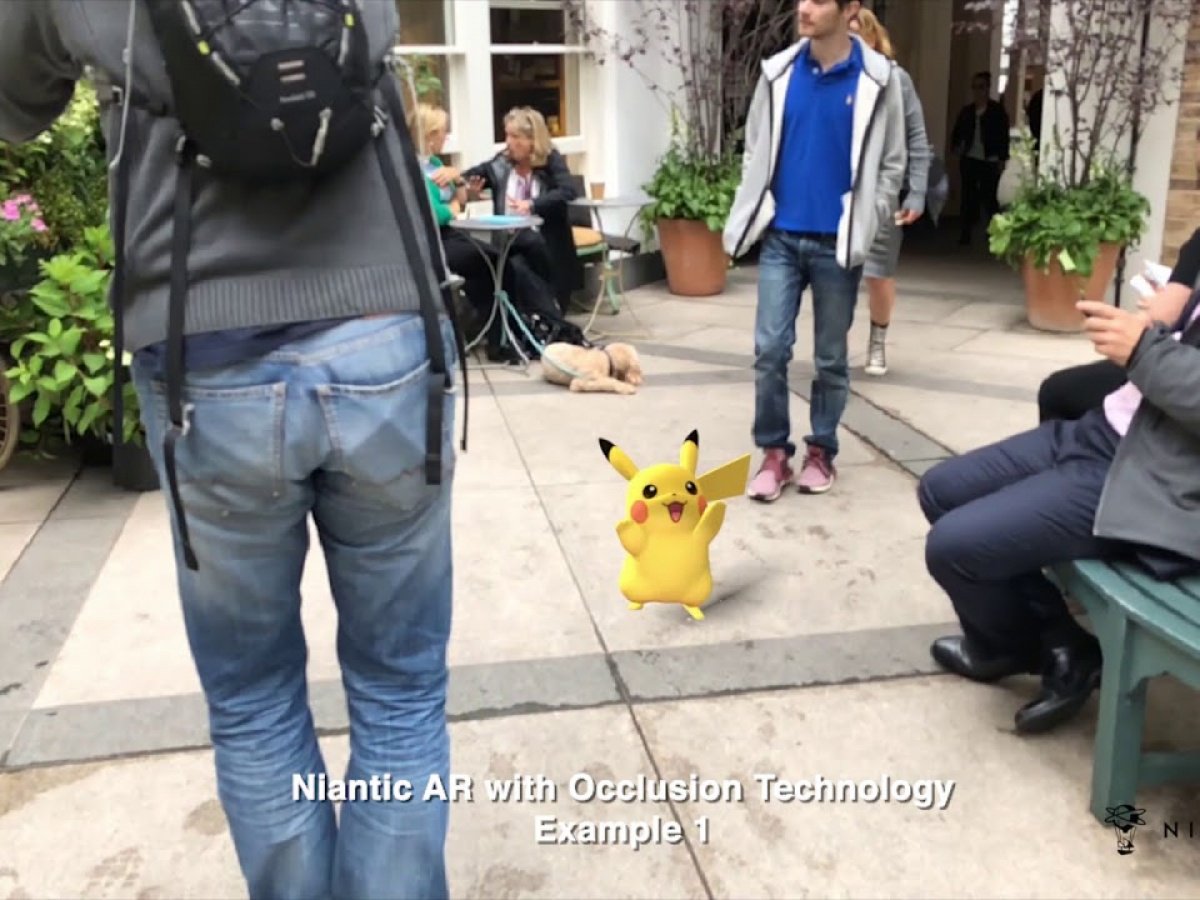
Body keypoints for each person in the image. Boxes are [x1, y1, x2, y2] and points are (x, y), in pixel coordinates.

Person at [1, 4, 457, 898]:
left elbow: (14, 100)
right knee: (401, 692)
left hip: (202, 348)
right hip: (384, 328)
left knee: (254, 702)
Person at [919, 289, 1200, 735]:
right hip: (1108, 429)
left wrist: (1145, 349)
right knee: (941, 490)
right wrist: (1162, 323)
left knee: (953, 548)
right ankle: (1053, 644)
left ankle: (1029, 649)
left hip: (1151, 479)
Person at [723, 0, 907, 499]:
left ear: (850, 11)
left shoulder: (878, 79)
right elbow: (755, 149)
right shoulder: (778, 73)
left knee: (829, 358)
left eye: (819, 1)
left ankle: (821, 450)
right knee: (769, 350)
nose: (804, 8)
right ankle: (774, 453)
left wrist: (869, 219)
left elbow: (893, 163)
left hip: (837, 243)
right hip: (781, 237)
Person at [409, 102, 554, 363]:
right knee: (495, 263)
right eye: (443, 132)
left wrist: (457, 182)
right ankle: (501, 338)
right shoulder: (413, 168)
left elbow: (461, 198)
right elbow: (434, 214)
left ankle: (506, 333)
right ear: (430, 135)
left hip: (451, 234)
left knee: (498, 263)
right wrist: (452, 208)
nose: (446, 137)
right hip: (432, 241)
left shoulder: (435, 163)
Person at [1037, 225, 1200, 423]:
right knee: (1058, 392)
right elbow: (1164, 312)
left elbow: (1164, 314)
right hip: (1169, 357)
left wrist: (1143, 335)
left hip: (1179, 375)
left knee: (1058, 394)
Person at [849, 9, 932, 378]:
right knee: (833, 272)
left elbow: (916, 137)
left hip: (881, 189)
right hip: (839, 190)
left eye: (858, 35)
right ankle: (833, 346)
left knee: (878, 273)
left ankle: (877, 340)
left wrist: (917, 192)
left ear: (873, 38)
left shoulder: (895, 79)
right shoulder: (833, 77)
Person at [464, 107, 582, 316]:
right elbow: (475, 174)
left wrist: (532, 204)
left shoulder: (550, 160)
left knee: (524, 258)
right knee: (496, 265)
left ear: (532, 140)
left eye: (515, 137)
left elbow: (568, 191)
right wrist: (461, 181)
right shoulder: (502, 162)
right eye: (507, 135)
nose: (508, 142)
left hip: (545, 247)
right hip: (508, 244)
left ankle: (544, 316)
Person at [951, 71, 1010, 246]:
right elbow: (957, 133)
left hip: (989, 159)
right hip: (970, 158)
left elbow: (1003, 136)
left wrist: (1002, 159)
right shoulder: (967, 112)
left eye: (981, 87)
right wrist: (957, 147)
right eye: (975, 87)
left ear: (987, 89)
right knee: (968, 196)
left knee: (989, 197)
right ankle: (966, 232)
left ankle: (994, 232)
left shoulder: (996, 112)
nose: (977, 91)